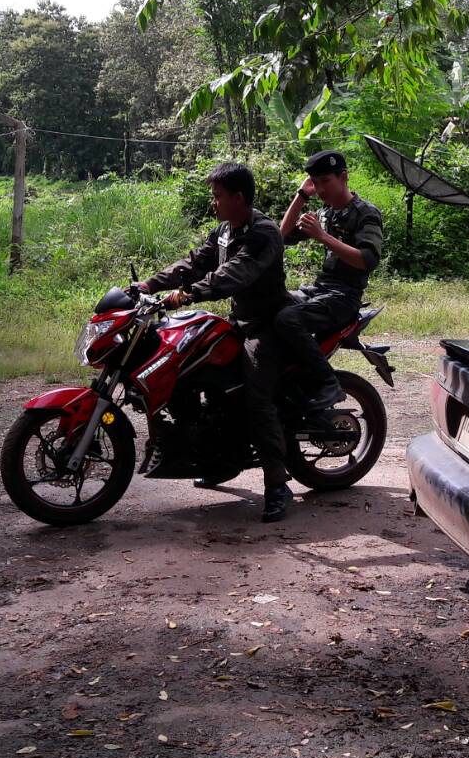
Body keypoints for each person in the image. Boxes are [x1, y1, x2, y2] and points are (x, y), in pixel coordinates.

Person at [132, 162, 295, 523]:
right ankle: (217, 459)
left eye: (218, 196)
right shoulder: (224, 230)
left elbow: (234, 273)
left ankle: (276, 485)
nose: (214, 202)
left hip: (266, 325)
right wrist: (150, 284)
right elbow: (196, 262)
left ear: (239, 197)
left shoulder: (264, 232)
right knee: (191, 369)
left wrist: (189, 294)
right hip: (239, 319)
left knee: (257, 398)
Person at [278, 150, 384, 426]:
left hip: (344, 297)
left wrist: (323, 236)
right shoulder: (325, 212)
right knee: (268, 305)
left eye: (326, 181)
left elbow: (367, 260)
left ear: (343, 177)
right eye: (316, 182)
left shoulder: (365, 213)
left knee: (287, 318)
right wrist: (301, 196)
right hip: (320, 290)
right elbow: (282, 236)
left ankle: (327, 382)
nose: (321, 189)